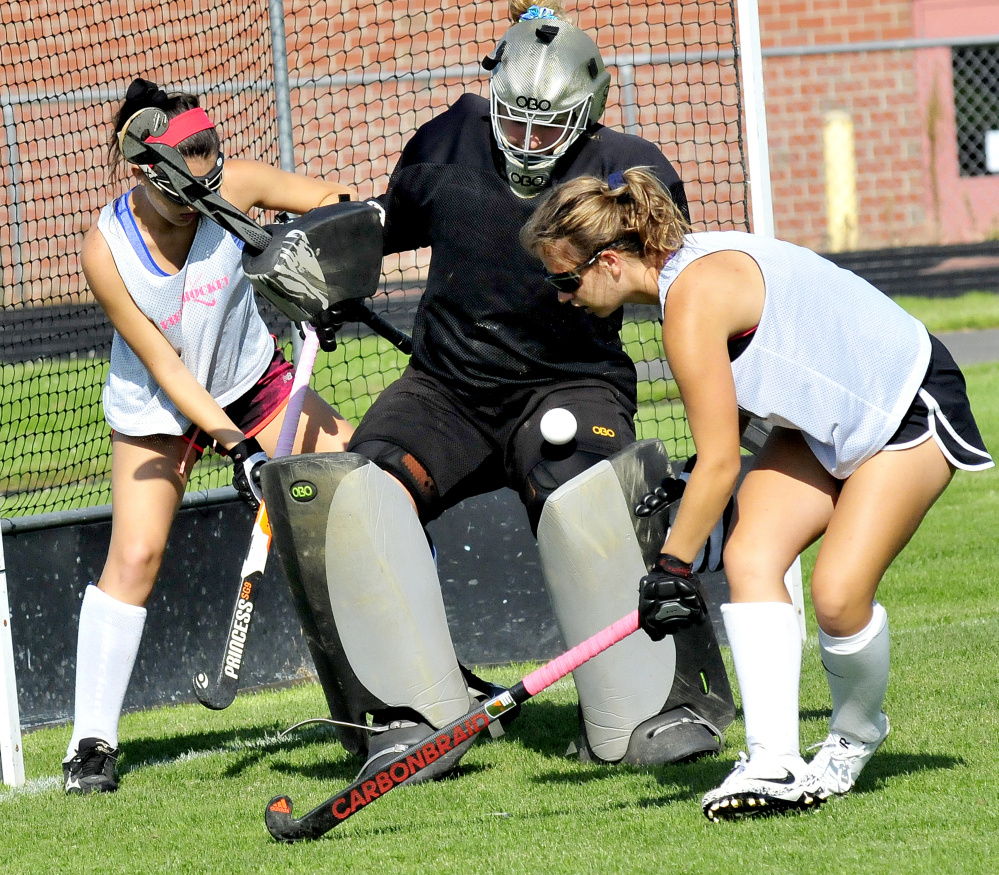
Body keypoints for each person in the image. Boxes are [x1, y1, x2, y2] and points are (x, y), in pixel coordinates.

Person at [265, 1, 734, 785]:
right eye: (513, 118)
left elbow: (677, 278)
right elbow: (383, 226)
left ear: (586, 113)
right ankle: (411, 716)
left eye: (546, 124)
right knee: (359, 492)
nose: (525, 139)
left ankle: (660, 705)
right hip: (448, 386)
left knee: (585, 491)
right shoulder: (445, 141)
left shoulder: (627, 168)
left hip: (572, 382)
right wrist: (314, 265)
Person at [519, 166, 994, 820]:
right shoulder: (684, 277)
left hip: (903, 406)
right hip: (823, 421)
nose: (563, 297)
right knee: (749, 558)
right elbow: (758, 379)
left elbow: (721, 464)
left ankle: (855, 734)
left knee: (835, 595)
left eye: (564, 280)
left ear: (606, 261)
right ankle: (770, 760)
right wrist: (691, 494)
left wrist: (670, 568)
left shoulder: (688, 301)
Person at [63, 77, 355, 794]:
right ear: (147, 169)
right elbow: (164, 362)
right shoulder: (107, 249)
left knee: (364, 488)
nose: (206, 174)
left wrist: (325, 276)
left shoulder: (234, 182)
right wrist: (242, 447)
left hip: (252, 380)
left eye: (209, 154)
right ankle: (90, 743)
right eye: (188, 162)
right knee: (136, 554)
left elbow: (339, 206)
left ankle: (409, 680)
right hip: (161, 408)